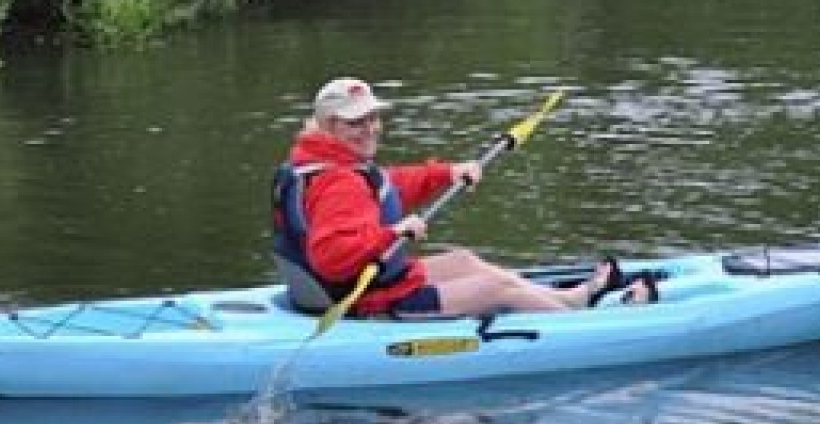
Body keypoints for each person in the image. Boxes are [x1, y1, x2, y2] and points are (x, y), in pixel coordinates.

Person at [272, 76, 653, 317]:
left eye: (373, 118)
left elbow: (388, 186)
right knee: (497, 288)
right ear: (328, 125)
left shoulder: (327, 162)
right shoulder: (337, 182)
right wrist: (394, 234)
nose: (370, 129)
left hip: (369, 286)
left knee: (466, 261)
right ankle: (591, 323)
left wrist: (446, 174)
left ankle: (572, 300)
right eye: (356, 122)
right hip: (367, 300)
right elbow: (331, 255)